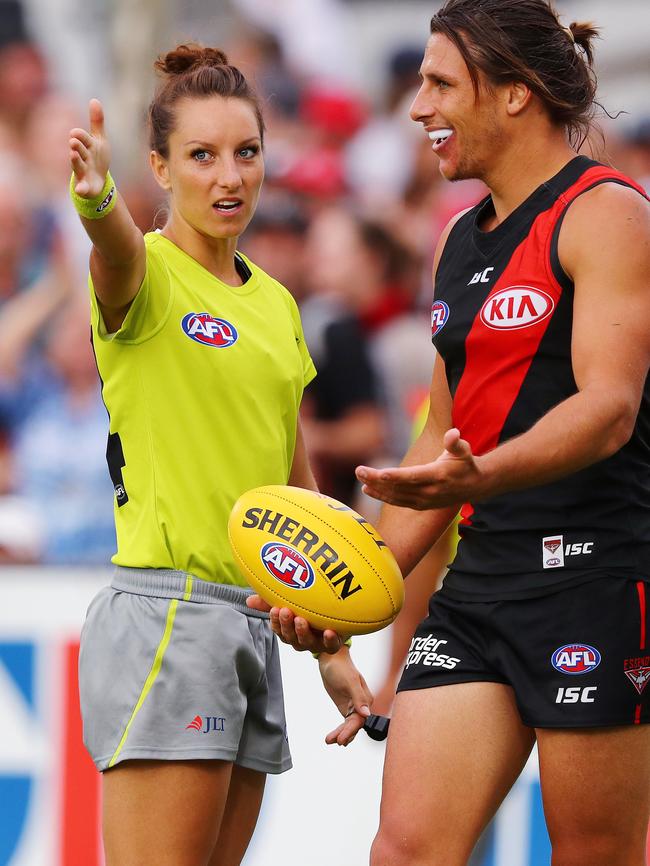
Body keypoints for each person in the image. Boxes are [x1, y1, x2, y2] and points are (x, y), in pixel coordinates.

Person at [261, 2, 650, 864]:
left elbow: (609, 407)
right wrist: (340, 592)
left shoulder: (608, 212)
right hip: (478, 591)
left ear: (514, 94)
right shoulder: (453, 243)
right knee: (403, 851)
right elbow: (442, 434)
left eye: (440, 84)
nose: (417, 106)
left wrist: (482, 478)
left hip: (594, 579)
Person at [69, 44, 370, 866]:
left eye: (246, 152)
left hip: (254, 622)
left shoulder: (275, 303)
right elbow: (118, 252)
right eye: (201, 155)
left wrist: (331, 648)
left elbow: (291, 486)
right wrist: (97, 204)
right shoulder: (146, 275)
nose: (229, 176)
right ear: (159, 167)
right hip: (167, 619)